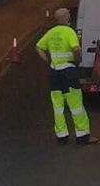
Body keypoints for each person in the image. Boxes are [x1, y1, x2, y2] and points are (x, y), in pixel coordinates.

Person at [35, 8, 92, 145]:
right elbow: (76, 49)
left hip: (54, 73)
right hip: (68, 72)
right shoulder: (69, 32)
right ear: (67, 18)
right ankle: (82, 135)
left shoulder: (51, 33)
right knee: (76, 104)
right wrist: (77, 60)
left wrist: (48, 61)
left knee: (58, 106)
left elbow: (38, 47)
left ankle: (62, 136)